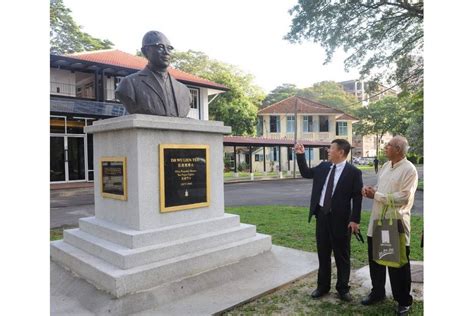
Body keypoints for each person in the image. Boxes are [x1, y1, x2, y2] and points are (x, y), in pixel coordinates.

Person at [295, 139, 363, 302]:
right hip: (322, 216)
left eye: (331, 148)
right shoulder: (323, 167)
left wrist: (354, 220)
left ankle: (343, 288)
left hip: (341, 220)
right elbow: (305, 172)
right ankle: (322, 287)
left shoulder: (354, 172)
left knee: (342, 255)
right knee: (323, 253)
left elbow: (357, 198)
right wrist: (300, 155)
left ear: (340, 152)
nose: (328, 151)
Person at [361, 136, 418, 316]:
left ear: (399, 149)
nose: (385, 147)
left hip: (396, 224)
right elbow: (381, 188)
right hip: (378, 221)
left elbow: (404, 197)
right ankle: (377, 292)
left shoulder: (409, 170)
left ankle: (403, 301)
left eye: (389, 145)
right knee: (375, 259)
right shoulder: (386, 166)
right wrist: (371, 189)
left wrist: (376, 195)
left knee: (398, 264)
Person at [115, 31, 191, 117]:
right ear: (145, 51)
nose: (166, 52)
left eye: (169, 48)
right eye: (160, 47)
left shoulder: (184, 90)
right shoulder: (129, 84)